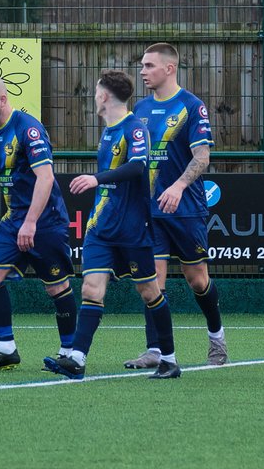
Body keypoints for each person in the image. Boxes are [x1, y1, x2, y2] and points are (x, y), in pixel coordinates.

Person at [44, 71, 181, 380]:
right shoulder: (107, 131)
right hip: (100, 228)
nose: (94, 97)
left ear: (104, 96)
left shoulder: (134, 128)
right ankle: (77, 359)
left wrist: (96, 178)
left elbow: (137, 167)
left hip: (132, 229)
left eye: (95, 92)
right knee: (92, 289)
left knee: (149, 291)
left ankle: (169, 359)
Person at [125, 42, 226, 369]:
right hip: (149, 211)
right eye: (142, 66)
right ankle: (156, 350)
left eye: (149, 66)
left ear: (169, 68)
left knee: (197, 280)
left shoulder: (192, 107)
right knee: (152, 281)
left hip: (186, 210)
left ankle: (217, 338)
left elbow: (203, 156)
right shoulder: (138, 110)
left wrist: (180, 186)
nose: (142, 72)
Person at [0, 75, 77, 371]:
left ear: (2, 100)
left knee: (56, 288)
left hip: (44, 222)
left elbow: (46, 177)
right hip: (13, 219)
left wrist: (30, 223)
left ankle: (69, 352)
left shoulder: (28, 128)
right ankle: (5, 349)